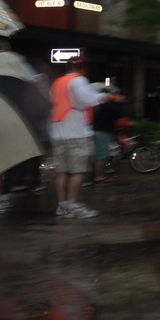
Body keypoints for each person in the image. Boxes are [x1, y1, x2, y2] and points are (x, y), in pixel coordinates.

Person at [49, 55, 121, 218]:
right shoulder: (78, 80)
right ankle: (73, 205)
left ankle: (62, 205)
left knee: (61, 172)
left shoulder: (57, 82)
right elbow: (88, 98)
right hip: (76, 132)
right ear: (83, 68)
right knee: (78, 171)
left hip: (57, 131)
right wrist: (107, 96)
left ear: (67, 66)